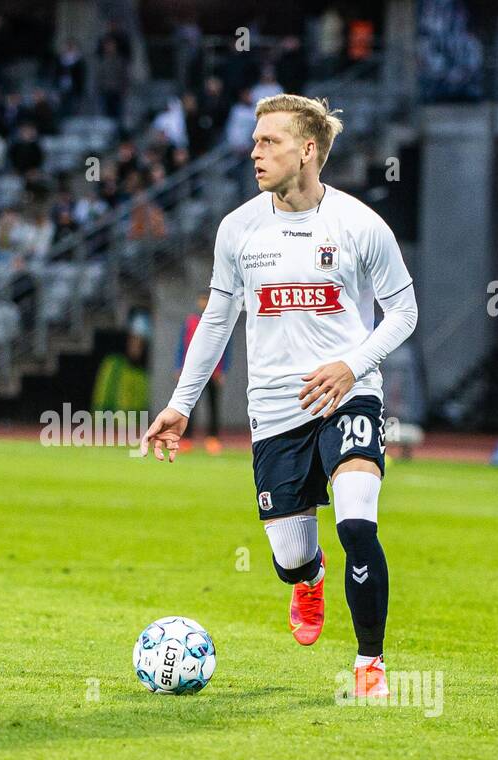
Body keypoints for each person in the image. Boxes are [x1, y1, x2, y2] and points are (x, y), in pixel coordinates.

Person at [141, 94, 418, 699]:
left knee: (355, 525)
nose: (255, 151)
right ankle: (307, 577)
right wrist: (181, 405)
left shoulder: (359, 224)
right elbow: (216, 321)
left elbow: (404, 311)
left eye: (270, 141)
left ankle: (370, 662)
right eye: (256, 141)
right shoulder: (239, 229)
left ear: (309, 150)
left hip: (348, 397)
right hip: (274, 411)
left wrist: (353, 365)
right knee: (292, 558)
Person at [175, 290, 230, 455]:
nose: (203, 303)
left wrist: (223, 369)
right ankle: (186, 438)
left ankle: (212, 439)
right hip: (193, 371)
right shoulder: (191, 321)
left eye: (206, 300)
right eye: (202, 300)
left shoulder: (219, 320)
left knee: (213, 405)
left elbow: (226, 347)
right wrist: (179, 367)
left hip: (213, 371)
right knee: (190, 404)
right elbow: (181, 346)